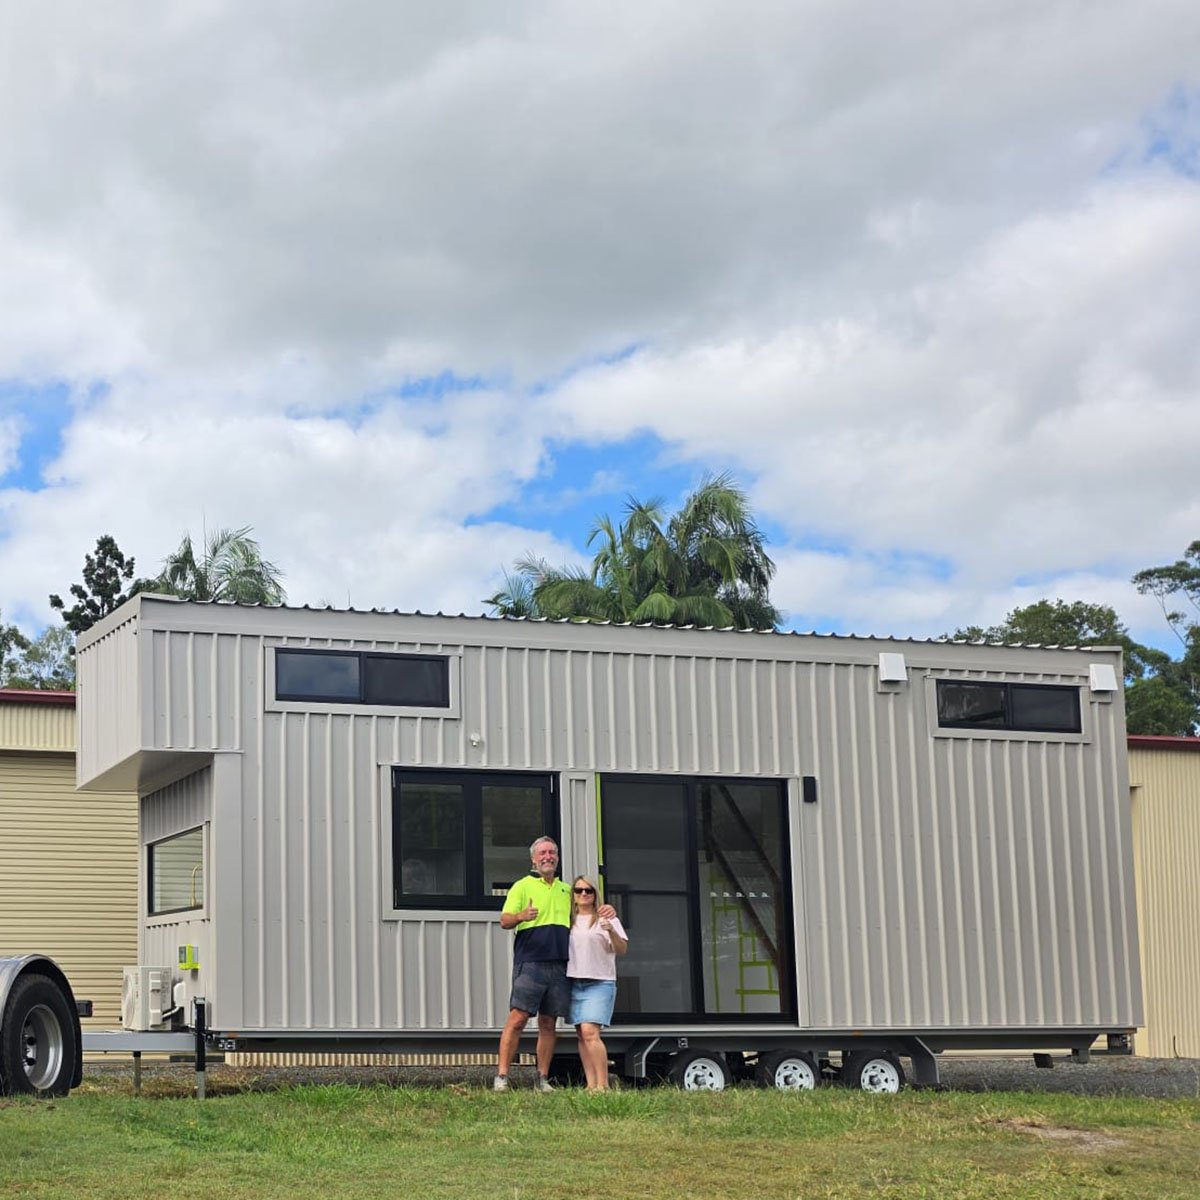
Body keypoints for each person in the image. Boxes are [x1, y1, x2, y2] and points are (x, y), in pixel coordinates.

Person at [495, 836, 615, 1092]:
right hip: (530, 963)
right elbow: (504, 921)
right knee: (517, 1019)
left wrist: (609, 911)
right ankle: (502, 1078)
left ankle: (542, 1079)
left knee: (549, 1024)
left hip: (562, 967)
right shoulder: (521, 886)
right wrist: (521, 916)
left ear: (557, 858)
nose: (547, 856)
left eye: (552, 852)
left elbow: (587, 906)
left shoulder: (566, 891)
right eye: (542, 853)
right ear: (533, 859)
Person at [567, 874, 628, 1091]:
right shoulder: (567, 919)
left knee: (590, 1032)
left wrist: (610, 930)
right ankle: (591, 1085)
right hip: (574, 982)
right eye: (579, 890)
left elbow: (621, 949)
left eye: (588, 890)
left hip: (600, 982)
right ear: (573, 895)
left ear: (595, 895)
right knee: (582, 1036)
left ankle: (603, 1085)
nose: (583, 894)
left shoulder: (607, 919)